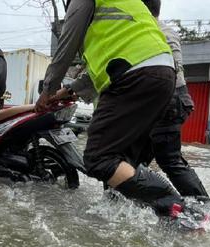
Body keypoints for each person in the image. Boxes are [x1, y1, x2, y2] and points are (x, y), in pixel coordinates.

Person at [35, 0, 185, 217]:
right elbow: (93, 76)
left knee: (98, 158)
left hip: (133, 74)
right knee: (123, 162)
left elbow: (66, 47)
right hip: (162, 74)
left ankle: (176, 207)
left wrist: (47, 90)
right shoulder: (126, 16)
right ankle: (150, 216)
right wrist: (62, 93)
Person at [139, 0, 209, 199]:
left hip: (163, 99)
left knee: (169, 160)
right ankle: (146, 203)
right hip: (176, 98)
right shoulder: (167, 30)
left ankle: (202, 207)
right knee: (138, 160)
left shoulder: (145, 30)